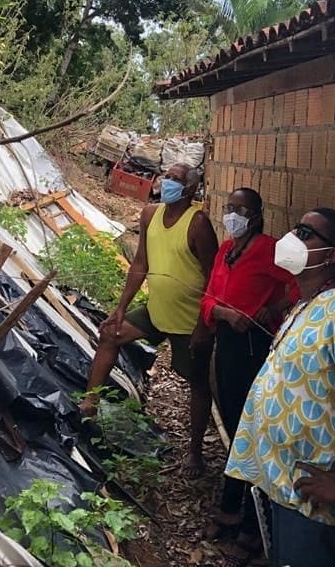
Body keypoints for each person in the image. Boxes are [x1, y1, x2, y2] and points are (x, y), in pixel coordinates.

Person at [224, 208, 335, 567]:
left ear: (331, 255)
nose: (292, 238)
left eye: (305, 233)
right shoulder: (307, 305)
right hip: (284, 489)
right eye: (296, 228)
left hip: (316, 506)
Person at [79, 163, 218, 478]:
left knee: (196, 380)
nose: (167, 182)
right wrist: (120, 307)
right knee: (110, 334)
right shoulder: (150, 214)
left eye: (176, 179)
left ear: (192, 189)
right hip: (156, 310)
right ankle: (89, 403)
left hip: (188, 319)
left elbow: (214, 277)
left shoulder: (197, 224)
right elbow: (140, 263)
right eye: (166, 176)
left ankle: (195, 452)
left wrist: (203, 325)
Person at [199, 188, 300, 566]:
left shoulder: (269, 250)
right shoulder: (226, 251)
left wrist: (272, 309)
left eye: (240, 210)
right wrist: (225, 315)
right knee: (233, 422)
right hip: (227, 342)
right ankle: (229, 506)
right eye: (229, 208)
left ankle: (251, 525)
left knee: (252, 428)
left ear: (257, 215)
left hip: (254, 345)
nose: (232, 215)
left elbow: (296, 286)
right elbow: (208, 297)